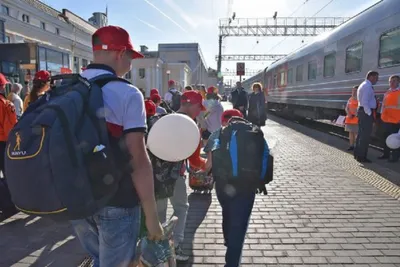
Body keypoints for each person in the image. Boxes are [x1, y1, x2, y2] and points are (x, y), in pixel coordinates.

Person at [69, 25, 163, 267]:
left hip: (76, 200)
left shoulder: (67, 87)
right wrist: (152, 217)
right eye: (131, 56)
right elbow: (138, 159)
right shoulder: (127, 93)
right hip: (116, 201)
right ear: (121, 53)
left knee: (100, 258)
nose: (132, 63)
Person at [156, 90, 206, 262]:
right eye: (199, 107)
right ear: (190, 104)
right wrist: (209, 165)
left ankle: (157, 252)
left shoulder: (164, 119)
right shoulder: (191, 127)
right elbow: (194, 160)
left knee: (159, 214)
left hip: (155, 176)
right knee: (181, 209)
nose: (200, 111)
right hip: (175, 177)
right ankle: (175, 246)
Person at [202, 108, 256, 267]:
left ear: (223, 120)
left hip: (224, 185)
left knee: (228, 211)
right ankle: (232, 259)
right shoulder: (253, 133)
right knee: (240, 222)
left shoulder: (217, 134)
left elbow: (209, 164)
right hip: (247, 185)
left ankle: (228, 240)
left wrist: (203, 172)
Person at [0, 73, 18, 219]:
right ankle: (10, 204)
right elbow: (11, 128)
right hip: (4, 143)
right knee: (8, 174)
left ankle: (8, 205)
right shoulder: (6, 104)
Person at [354, 71, 379, 163]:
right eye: (376, 78)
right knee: (365, 136)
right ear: (371, 77)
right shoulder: (367, 86)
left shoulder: (363, 85)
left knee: (361, 134)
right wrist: (369, 114)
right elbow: (365, 102)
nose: (377, 80)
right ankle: (362, 157)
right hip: (365, 113)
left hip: (362, 111)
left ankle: (357, 154)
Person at [379, 75, 400, 162]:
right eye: (390, 81)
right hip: (386, 120)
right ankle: (385, 154)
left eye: (394, 81)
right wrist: (381, 115)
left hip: (396, 120)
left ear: (398, 82)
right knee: (386, 138)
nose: (392, 83)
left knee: (395, 139)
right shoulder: (387, 92)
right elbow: (384, 105)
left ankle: (394, 157)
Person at [344, 86, 359, 151]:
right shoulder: (350, 99)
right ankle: (351, 146)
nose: (354, 92)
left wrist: (355, 114)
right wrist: (348, 113)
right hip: (349, 119)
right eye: (353, 90)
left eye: (355, 90)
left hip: (356, 119)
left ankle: (356, 146)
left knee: (356, 133)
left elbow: (360, 109)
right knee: (350, 133)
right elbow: (346, 108)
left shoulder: (359, 99)